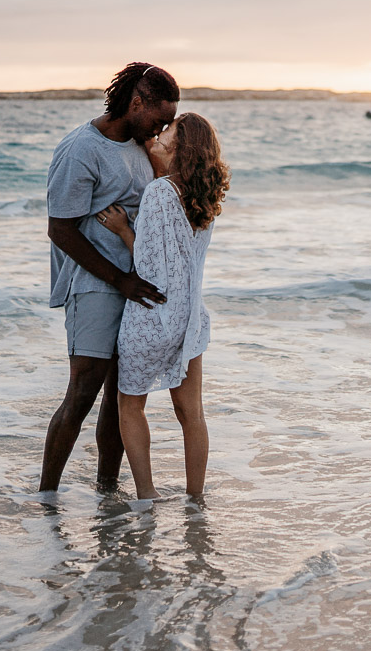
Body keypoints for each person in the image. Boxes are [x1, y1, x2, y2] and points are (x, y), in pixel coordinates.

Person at [39, 62, 179, 492]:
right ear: (136, 103)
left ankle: (107, 494)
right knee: (81, 396)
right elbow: (59, 229)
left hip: (133, 284)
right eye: (160, 119)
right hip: (95, 285)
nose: (162, 129)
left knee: (121, 403)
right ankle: (45, 498)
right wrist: (119, 280)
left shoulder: (141, 146)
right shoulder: (82, 149)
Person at [96, 112, 230, 500]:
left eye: (168, 129)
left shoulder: (159, 194)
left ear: (180, 142)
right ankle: (195, 499)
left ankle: (147, 494)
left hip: (151, 318)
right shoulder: (206, 196)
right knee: (192, 415)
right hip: (190, 319)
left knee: (130, 407)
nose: (160, 131)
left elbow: (148, 268)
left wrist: (123, 231)